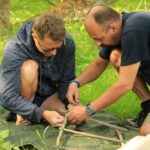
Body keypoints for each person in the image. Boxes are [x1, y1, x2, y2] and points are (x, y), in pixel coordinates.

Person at [66, 5, 150, 135]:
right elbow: (99, 64)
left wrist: (87, 110)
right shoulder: (118, 30)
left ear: (112, 28)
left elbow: (124, 84)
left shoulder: (134, 31)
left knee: (146, 132)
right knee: (116, 56)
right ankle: (149, 105)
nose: (97, 44)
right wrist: (75, 82)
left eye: (98, 38)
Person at [0, 13, 75, 127]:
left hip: (49, 95)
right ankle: (23, 115)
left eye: (57, 47)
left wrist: (71, 105)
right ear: (34, 35)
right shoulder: (14, 49)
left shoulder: (67, 42)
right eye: (48, 49)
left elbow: (67, 81)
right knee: (29, 67)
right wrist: (42, 114)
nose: (54, 53)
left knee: (72, 117)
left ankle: (40, 113)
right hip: (23, 100)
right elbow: (8, 97)